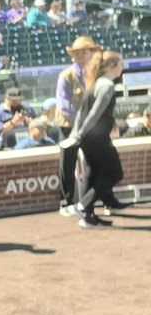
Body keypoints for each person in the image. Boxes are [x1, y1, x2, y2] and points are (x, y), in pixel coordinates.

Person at [69, 50, 129, 228]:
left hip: (89, 138)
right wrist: (80, 133)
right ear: (112, 66)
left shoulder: (96, 83)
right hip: (96, 138)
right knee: (114, 172)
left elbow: (82, 112)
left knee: (93, 173)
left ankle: (88, 216)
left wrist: (77, 133)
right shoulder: (107, 85)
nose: (122, 68)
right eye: (120, 64)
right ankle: (83, 206)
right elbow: (95, 113)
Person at [55, 36, 101, 216]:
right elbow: (64, 106)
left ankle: (90, 202)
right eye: (77, 53)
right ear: (72, 56)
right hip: (69, 127)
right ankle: (65, 203)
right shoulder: (65, 76)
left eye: (85, 52)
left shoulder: (96, 75)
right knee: (67, 164)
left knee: (93, 163)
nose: (81, 56)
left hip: (89, 127)